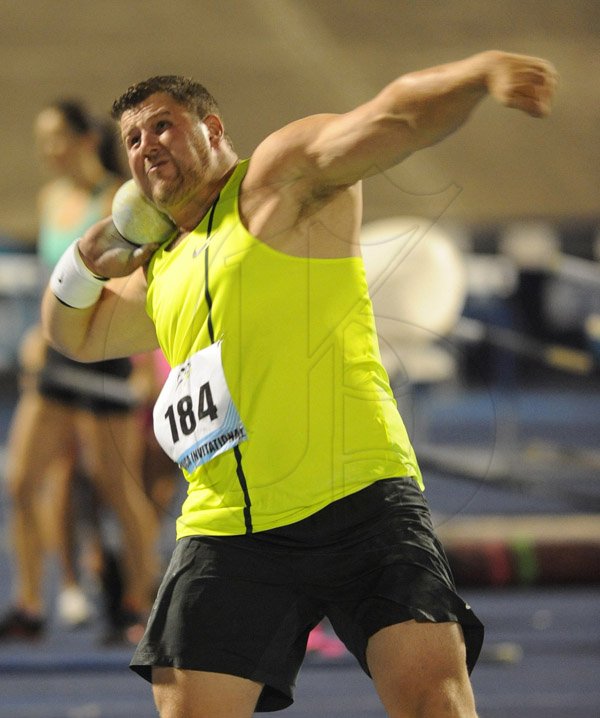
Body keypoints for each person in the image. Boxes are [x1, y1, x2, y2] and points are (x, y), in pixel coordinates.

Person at [41, 50, 557, 717]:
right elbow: (72, 335)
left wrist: (482, 72)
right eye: (133, 140)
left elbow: (395, 114)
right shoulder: (163, 265)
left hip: (359, 499)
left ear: (213, 127)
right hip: (230, 527)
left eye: (163, 126)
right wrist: (85, 261)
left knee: (434, 700)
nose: (146, 147)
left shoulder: (280, 180)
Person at [0, 99, 158, 643]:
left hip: (109, 352)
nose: (48, 152)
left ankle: (140, 601)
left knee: (117, 488)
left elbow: (139, 282)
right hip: (56, 355)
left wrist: (143, 365)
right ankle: (28, 604)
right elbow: (52, 278)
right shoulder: (51, 198)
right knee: (22, 481)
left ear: (86, 139)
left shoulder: (121, 198)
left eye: (56, 139)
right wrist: (33, 332)